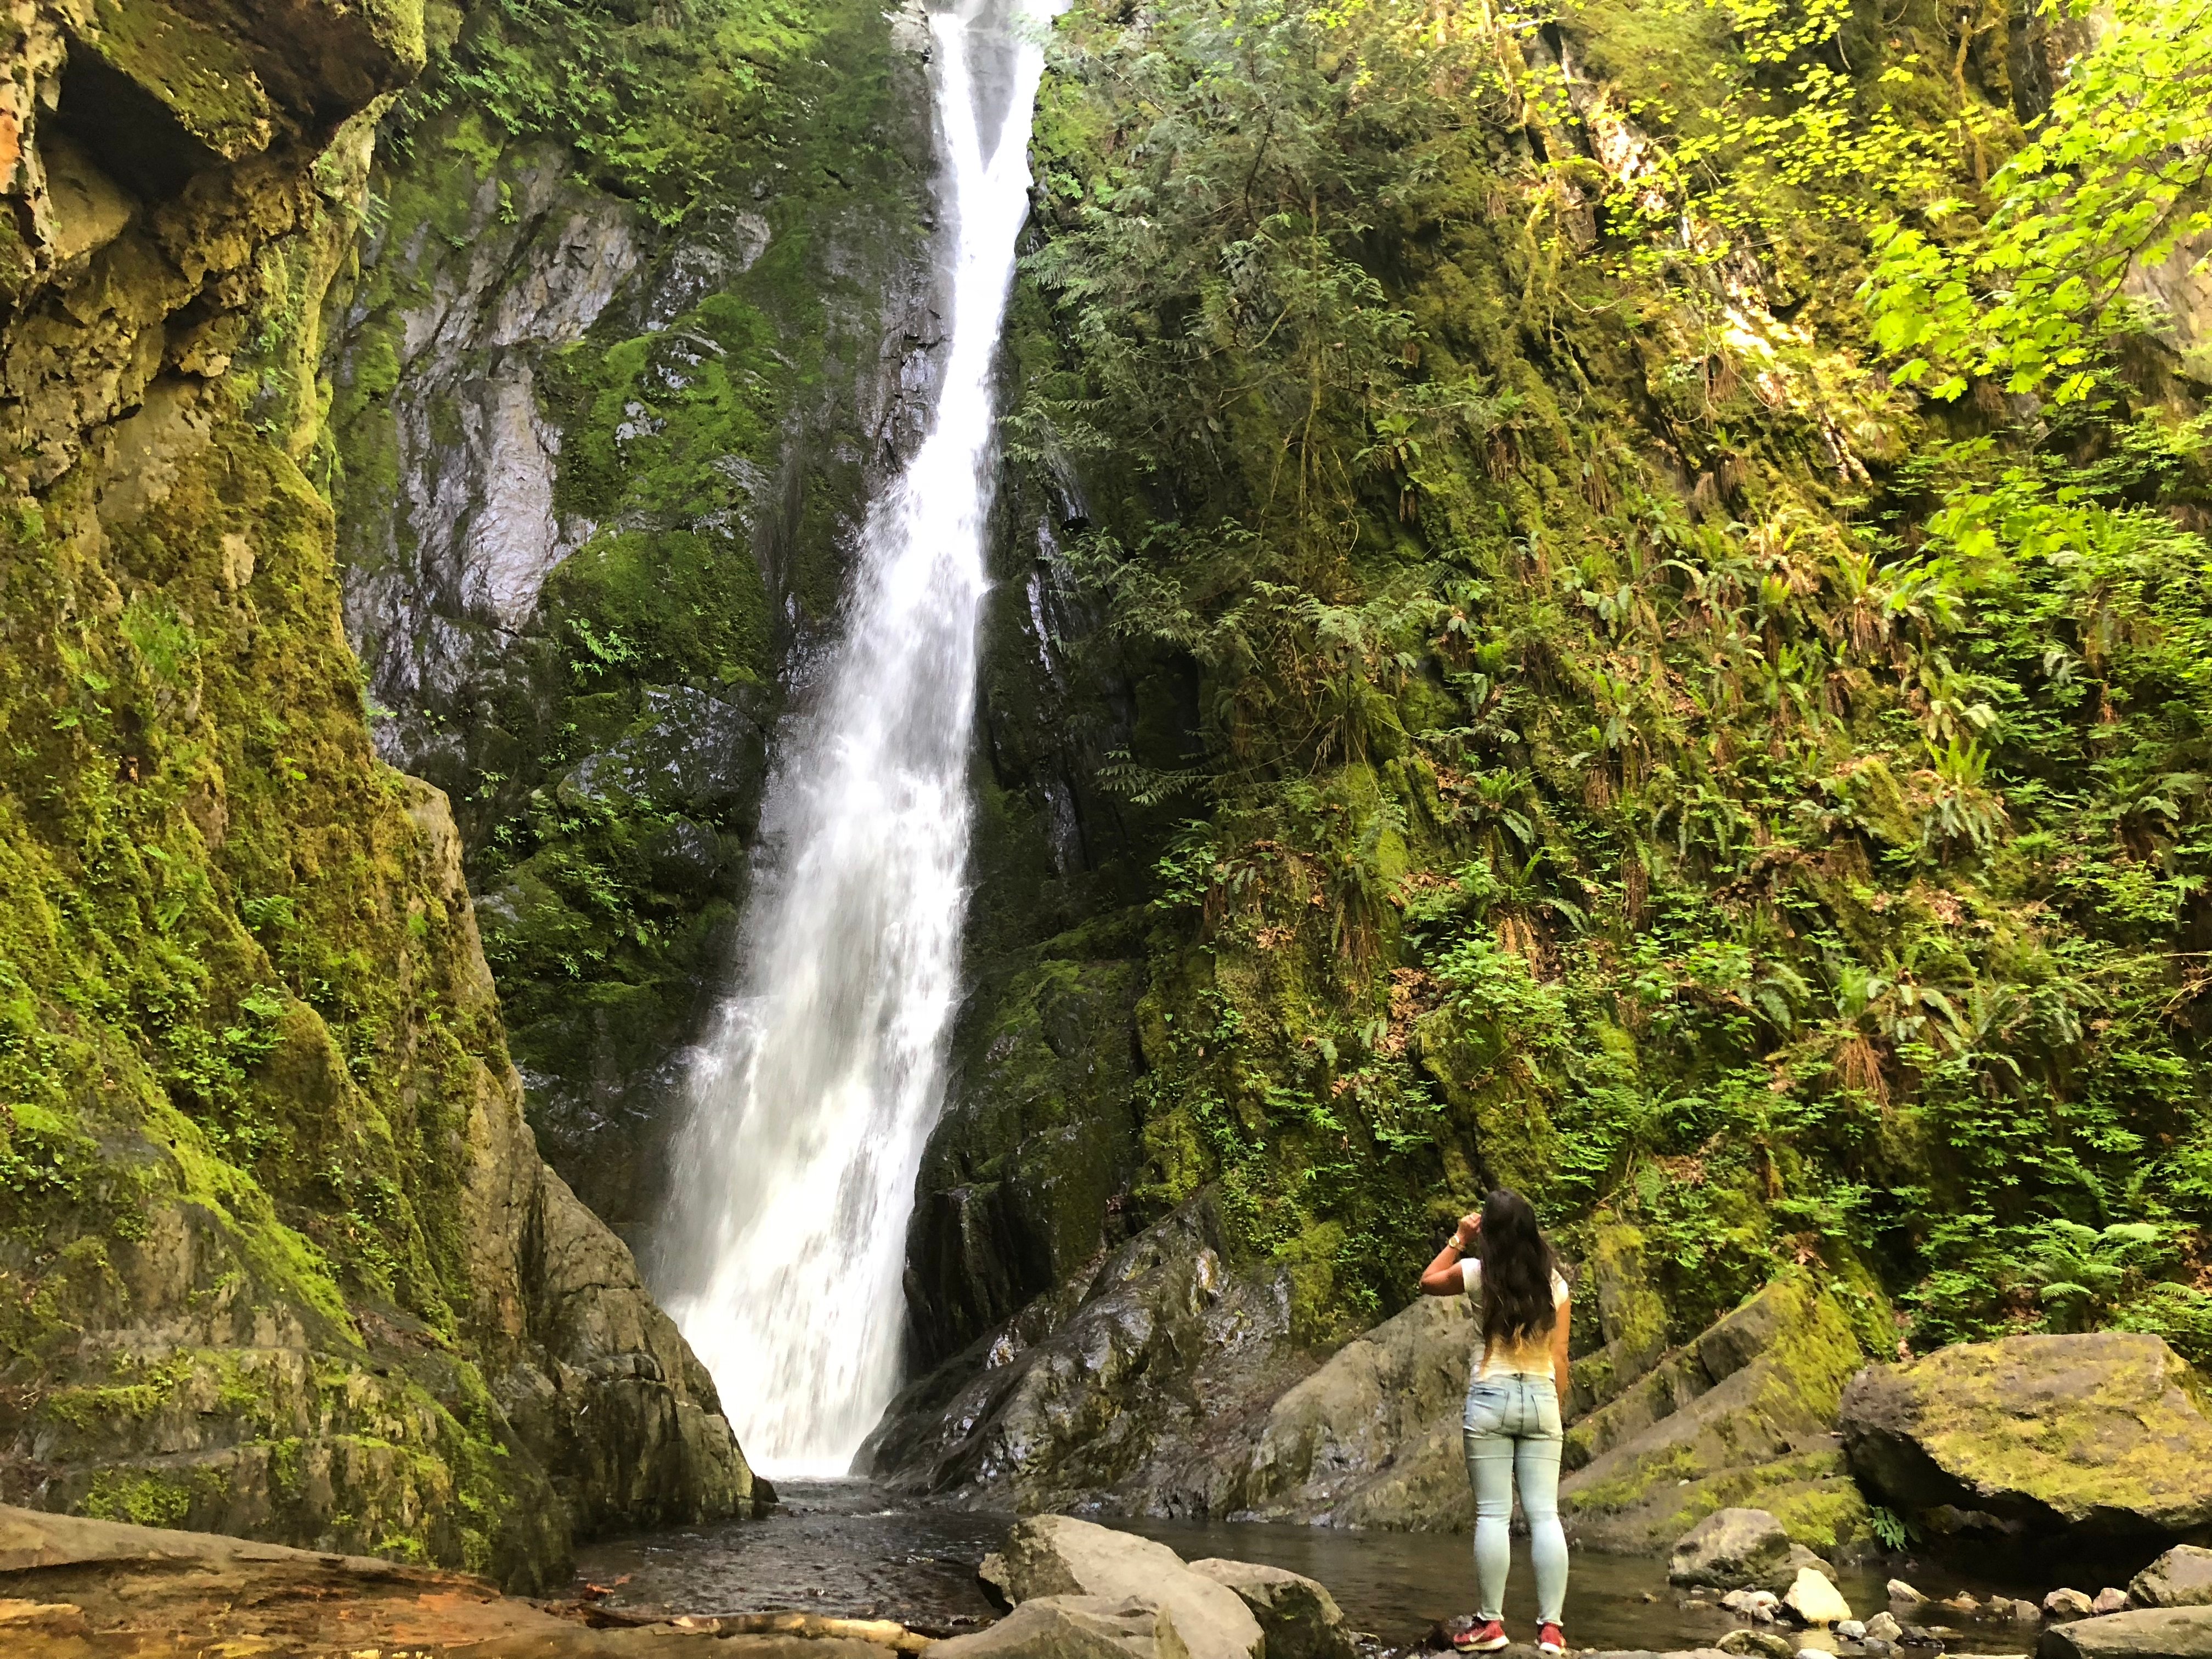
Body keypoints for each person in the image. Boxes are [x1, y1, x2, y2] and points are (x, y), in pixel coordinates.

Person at [1419, 1187, 1571, 1656]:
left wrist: (1459, 1237)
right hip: (1542, 1395)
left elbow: (1428, 1281)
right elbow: (1561, 1356)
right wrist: (1554, 1408)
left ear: (1488, 1231)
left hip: (1490, 1396)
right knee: (1545, 1515)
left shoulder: (1477, 1274)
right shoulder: (1556, 1284)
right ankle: (1551, 1631)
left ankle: (1491, 1624)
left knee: (1493, 1514)